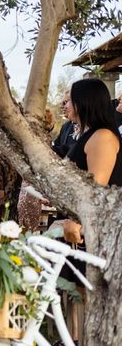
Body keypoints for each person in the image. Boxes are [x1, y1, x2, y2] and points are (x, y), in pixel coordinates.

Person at [62, 78, 122, 243]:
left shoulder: (102, 136)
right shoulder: (91, 134)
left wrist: (77, 221)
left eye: (69, 101)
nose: (65, 105)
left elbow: (96, 187)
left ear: (83, 102)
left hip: (99, 233)